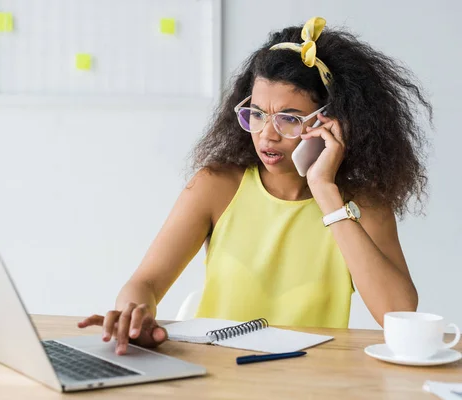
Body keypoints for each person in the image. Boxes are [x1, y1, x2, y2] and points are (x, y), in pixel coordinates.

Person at [79, 17, 431, 355]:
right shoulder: (215, 187)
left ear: (332, 122)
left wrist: (325, 192)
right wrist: (133, 313)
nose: (267, 133)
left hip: (312, 380)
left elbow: (397, 313)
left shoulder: (362, 206)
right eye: (258, 113)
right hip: (219, 372)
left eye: (289, 119)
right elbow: (146, 283)